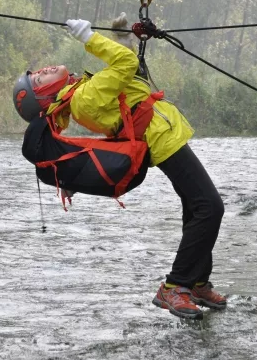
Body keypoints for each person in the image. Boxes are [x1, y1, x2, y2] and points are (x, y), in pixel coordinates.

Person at [12, 16, 226, 320]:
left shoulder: (80, 92)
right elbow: (124, 64)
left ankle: (198, 282)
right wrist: (88, 37)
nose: (42, 71)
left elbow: (129, 76)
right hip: (161, 138)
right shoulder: (84, 98)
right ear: (45, 97)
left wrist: (123, 37)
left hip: (163, 134)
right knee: (210, 207)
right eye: (37, 80)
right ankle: (175, 286)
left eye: (37, 73)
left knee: (196, 207)